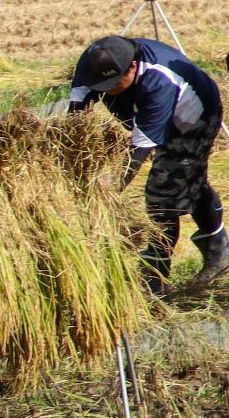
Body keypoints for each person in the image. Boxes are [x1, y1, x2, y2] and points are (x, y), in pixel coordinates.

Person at [71, 35, 228, 291]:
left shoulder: (159, 81)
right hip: (138, 105)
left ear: (132, 66)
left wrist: (107, 191)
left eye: (112, 83)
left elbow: (139, 150)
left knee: (162, 194)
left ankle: (155, 275)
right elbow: (75, 113)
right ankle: (220, 249)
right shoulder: (93, 61)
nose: (105, 89)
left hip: (192, 118)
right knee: (188, 180)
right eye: (101, 83)